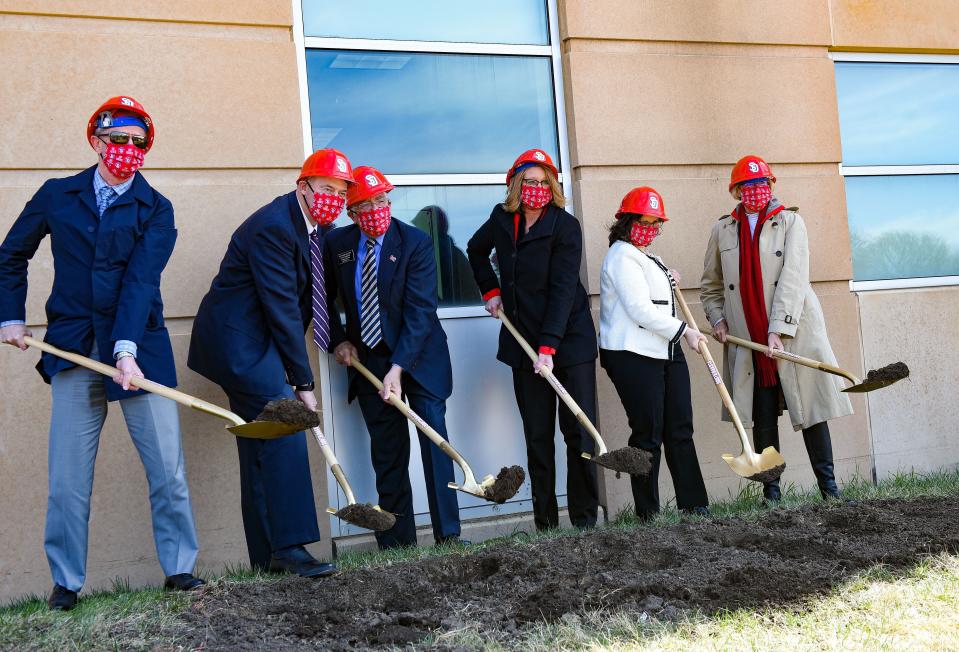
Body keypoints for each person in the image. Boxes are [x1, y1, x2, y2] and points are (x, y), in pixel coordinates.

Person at [0, 96, 202, 610]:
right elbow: (10, 256)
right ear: (96, 141)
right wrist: (11, 316)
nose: (128, 151)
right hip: (72, 348)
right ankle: (66, 583)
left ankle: (179, 571)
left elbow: (140, 281)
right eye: (118, 140)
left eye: (139, 144)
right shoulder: (56, 195)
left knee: (168, 471)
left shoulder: (157, 209)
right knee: (68, 480)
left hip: (141, 350)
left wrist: (127, 350)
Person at [188, 148, 355, 577]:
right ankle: (289, 548)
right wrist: (302, 382)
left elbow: (311, 300)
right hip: (237, 346)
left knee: (260, 441)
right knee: (284, 425)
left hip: (255, 344)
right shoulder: (274, 228)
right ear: (303, 187)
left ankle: (267, 558)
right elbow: (281, 306)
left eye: (341, 191)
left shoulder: (312, 229)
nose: (333, 198)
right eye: (326, 189)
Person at [700, 155, 854, 503]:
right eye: (748, 185)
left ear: (770, 186)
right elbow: (711, 284)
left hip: (793, 332)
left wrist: (779, 330)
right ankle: (772, 494)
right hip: (748, 338)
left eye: (762, 184)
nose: (756, 191)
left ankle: (829, 489)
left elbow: (793, 279)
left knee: (811, 411)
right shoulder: (722, 229)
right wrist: (718, 318)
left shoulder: (791, 222)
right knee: (762, 412)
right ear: (736, 190)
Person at [324, 166, 462, 549]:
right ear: (350, 213)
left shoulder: (415, 242)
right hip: (370, 361)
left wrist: (398, 369)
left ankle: (448, 536)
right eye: (364, 205)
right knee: (388, 454)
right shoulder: (338, 245)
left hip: (419, 360)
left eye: (381, 200)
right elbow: (323, 300)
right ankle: (396, 544)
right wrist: (338, 340)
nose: (375, 209)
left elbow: (420, 311)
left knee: (435, 446)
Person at [467, 149, 599, 531]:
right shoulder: (501, 218)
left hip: (568, 344)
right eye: (530, 181)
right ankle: (546, 523)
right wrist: (490, 290)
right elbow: (475, 251)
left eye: (545, 182)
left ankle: (585, 521)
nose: (538, 189)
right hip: (522, 343)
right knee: (538, 436)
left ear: (553, 186)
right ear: (516, 184)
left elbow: (562, 289)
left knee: (578, 434)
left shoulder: (565, 226)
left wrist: (549, 347)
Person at [598, 187, 710, 521]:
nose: (649, 228)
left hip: (665, 350)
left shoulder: (648, 256)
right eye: (643, 221)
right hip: (633, 354)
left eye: (655, 223)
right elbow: (639, 309)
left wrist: (667, 274)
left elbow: (655, 290)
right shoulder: (620, 255)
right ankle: (648, 513)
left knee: (680, 427)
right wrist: (685, 332)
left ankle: (695, 505)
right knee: (647, 433)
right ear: (626, 221)